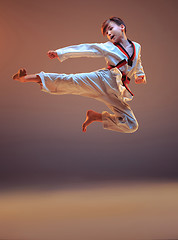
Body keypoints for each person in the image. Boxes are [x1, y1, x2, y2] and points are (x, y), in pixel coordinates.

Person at [13, 17, 146, 133]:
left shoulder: (137, 46)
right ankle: (26, 78)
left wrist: (140, 75)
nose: (109, 33)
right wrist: (60, 53)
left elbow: (137, 62)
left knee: (131, 125)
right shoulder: (109, 47)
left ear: (122, 27)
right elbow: (86, 49)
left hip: (117, 90)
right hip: (102, 80)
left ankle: (95, 116)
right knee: (71, 81)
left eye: (111, 29)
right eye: (106, 33)